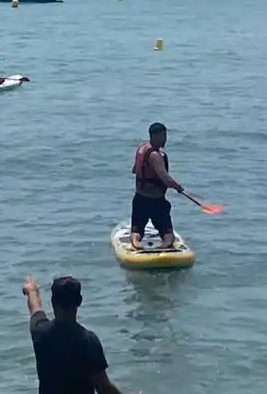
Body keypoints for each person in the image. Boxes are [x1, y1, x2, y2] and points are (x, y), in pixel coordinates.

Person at [24, 276, 138, 394]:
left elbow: (35, 307)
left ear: (53, 301)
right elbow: (103, 387)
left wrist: (32, 290)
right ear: (79, 301)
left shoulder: (40, 332)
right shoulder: (88, 341)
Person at [131, 121, 184, 251]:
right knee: (167, 234)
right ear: (154, 136)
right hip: (156, 201)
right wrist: (178, 187)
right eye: (162, 136)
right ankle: (165, 246)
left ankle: (136, 243)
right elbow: (165, 178)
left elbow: (134, 170)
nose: (165, 139)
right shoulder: (155, 155)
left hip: (140, 199)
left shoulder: (141, 149)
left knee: (137, 230)